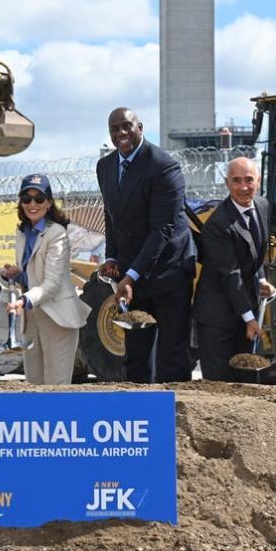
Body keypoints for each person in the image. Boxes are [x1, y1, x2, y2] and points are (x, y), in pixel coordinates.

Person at [95, 107, 197, 383]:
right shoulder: (105, 167)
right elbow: (111, 215)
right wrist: (113, 257)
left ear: (140, 127)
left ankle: (175, 418)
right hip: (133, 274)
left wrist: (131, 276)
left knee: (171, 357)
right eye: (114, 129)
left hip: (168, 271)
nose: (121, 133)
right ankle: (140, 415)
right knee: (136, 355)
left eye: (127, 126)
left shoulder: (163, 166)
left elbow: (162, 229)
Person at [192, 157, 276, 381]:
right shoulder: (218, 224)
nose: (243, 187)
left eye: (249, 180)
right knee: (219, 387)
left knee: (247, 383)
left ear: (259, 180)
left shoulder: (262, 206)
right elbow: (232, 274)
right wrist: (250, 319)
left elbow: (253, 253)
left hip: (244, 310)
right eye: (236, 181)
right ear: (227, 183)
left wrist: (261, 280)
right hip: (217, 319)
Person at [1, 174, 90, 385]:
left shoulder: (57, 233)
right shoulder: (22, 232)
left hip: (57, 318)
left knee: (56, 388)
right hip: (31, 318)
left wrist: (22, 301)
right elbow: (32, 275)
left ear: (49, 202)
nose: (33, 204)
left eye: (39, 199)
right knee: (34, 386)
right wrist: (17, 273)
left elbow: (52, 283)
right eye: (27, 199)